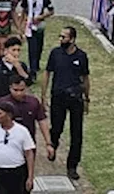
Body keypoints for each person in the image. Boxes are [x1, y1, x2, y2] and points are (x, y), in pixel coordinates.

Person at [41, 25, 89, 181]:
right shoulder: (55, 53)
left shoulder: (81, 56)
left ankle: (72, 166)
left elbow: (85, 78)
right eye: (60, 37)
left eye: (64, 37)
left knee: (77, 133)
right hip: (58, 96)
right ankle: (53, 146)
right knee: (57, 127)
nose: (61, 39)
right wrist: (43, 95)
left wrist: (87, 97)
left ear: (72, 39)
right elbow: (47, 73)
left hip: (75, 98)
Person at [0, 100, 34, 194]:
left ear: (9, 115)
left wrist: (30, 177)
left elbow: (29, 154)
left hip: (16, 172)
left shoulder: (22, 131)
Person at [21, 0, 52, 80]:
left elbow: (51, 11)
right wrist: (22, 25)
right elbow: (24, 10)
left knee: (39, 47)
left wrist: (41, 17)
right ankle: (33, 71)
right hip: (30, 25)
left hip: (39, 26)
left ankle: (36, 64)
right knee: (32, 49)